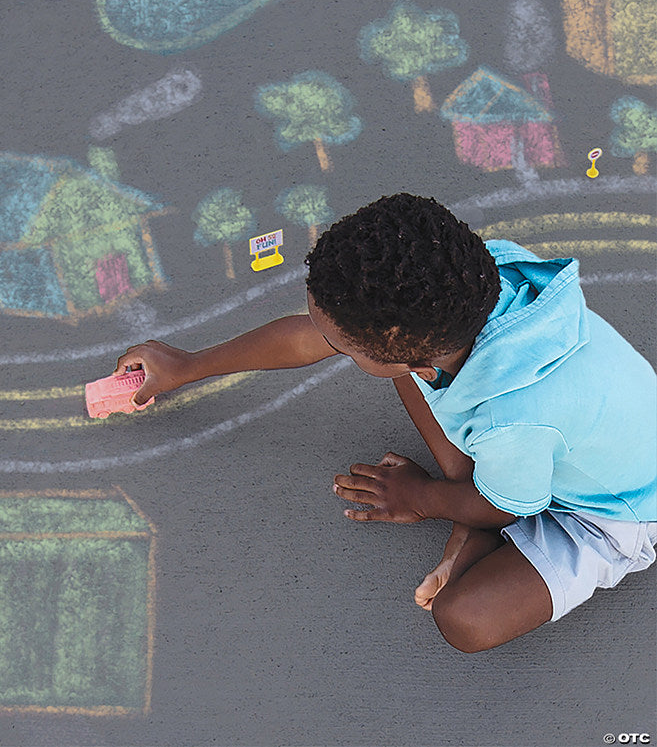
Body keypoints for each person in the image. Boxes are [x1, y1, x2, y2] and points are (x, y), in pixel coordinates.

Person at [114, 192, 657, 652]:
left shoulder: (513, 417)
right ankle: (471, 518)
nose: (325, 343)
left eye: (339, 345)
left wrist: (418, 496)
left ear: (419, 359)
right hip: (544, 445)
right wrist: (186, 365)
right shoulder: (463, 286)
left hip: (613, 511)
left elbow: (505, 503)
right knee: (395, 370)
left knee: (466, 620)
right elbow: (314, 335)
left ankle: (476, 529)